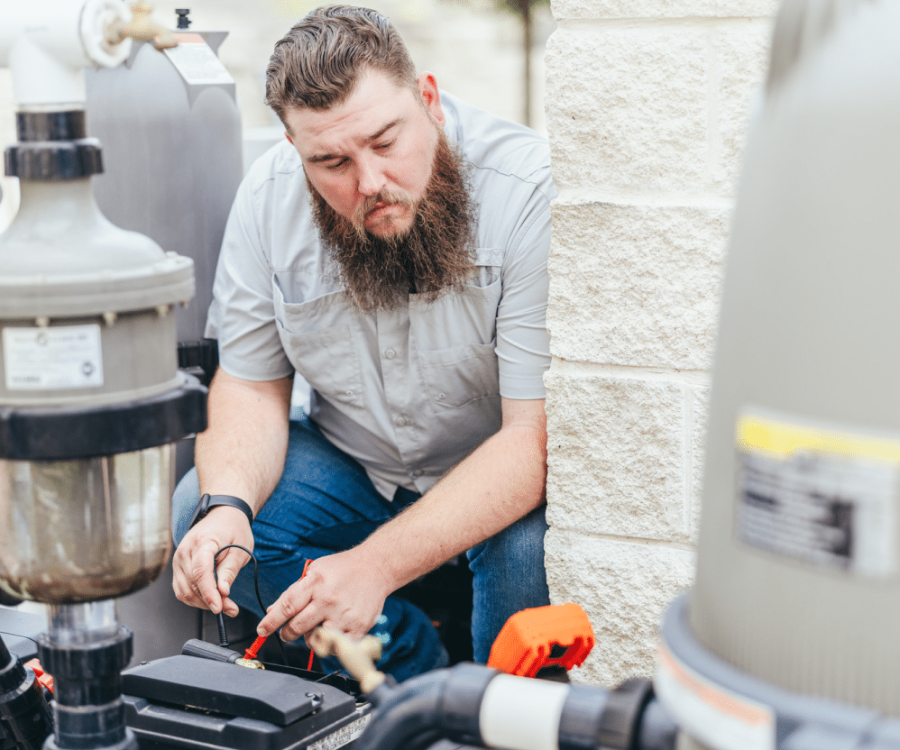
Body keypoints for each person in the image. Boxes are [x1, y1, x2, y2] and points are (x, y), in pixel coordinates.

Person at [171, 4, 555, 680]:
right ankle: (409, 668)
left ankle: (495, 710)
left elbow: (532, 439)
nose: (370, 182)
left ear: (428, 99)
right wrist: (226, 506)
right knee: (203, 514)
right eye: (332, 161)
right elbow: (252, 384)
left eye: (385, 141)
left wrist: (375, 566)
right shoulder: (268, 199)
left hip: (492, 477)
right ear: (295, 151)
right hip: (359, 467)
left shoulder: (525, 190)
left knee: (529, 556)